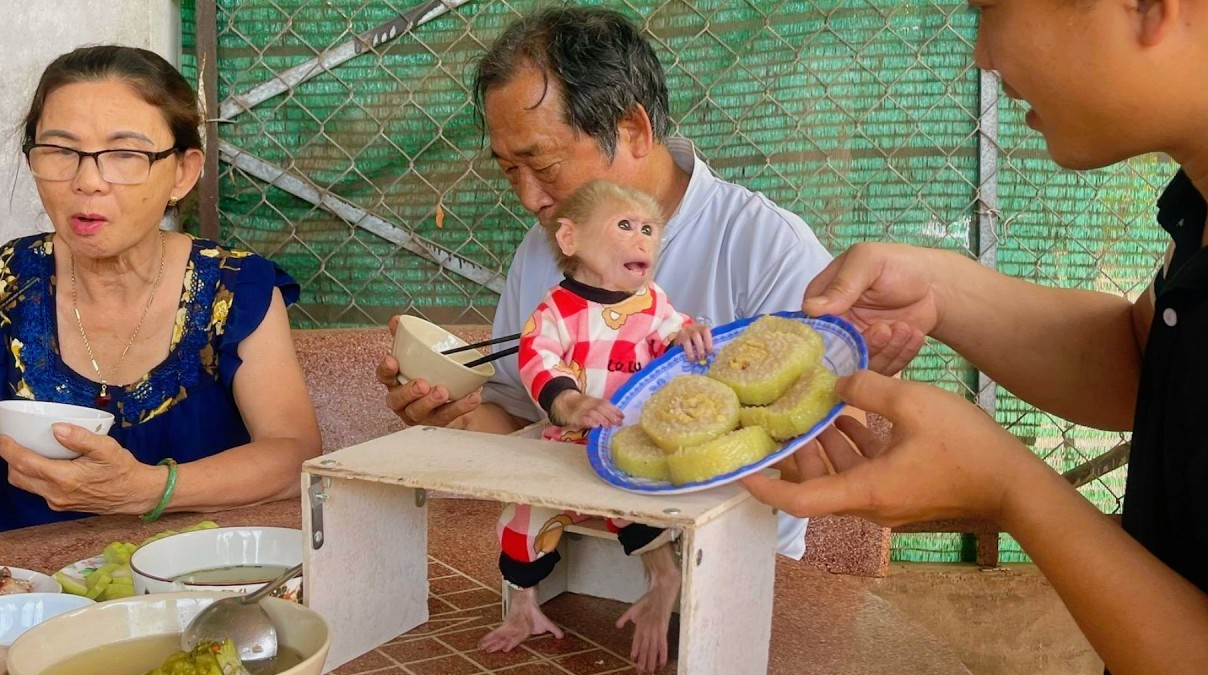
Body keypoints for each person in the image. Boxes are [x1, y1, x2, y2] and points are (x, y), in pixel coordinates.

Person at [741, 0, 1208, 675]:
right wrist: (939, 289)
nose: (983, 55)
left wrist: (1010, 489)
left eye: (989, 8)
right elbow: (1144, 366)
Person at [376, 5, 834, 561]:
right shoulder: (548, 248)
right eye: (508, 171)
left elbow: (824, 443)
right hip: (572, 562)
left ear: (633, 130)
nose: (529, 198)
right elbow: (518, 419)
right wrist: (453, 418)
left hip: (731, 567)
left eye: (542, 166)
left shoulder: (764, 246)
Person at [0, 45, 321, 532]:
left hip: (195, 582)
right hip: (26, 592)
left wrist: (146, 489)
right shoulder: (8, 283)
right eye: (61, 151)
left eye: (125, 154)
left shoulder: (232, 289)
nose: (88, 182)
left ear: (183, 172)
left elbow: (292, 454)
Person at [481, 179, 712, 673]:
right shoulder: (555, 310)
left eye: (650, 229)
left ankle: (663, 579)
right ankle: (523, 606)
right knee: (522, 520)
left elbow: (676, 330)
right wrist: (567, 401)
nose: (642, 239)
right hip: (567, 443)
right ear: (571, 240)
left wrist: (689, 334)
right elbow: (538, 358)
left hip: (629, 444)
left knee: (642, 509)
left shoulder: (653, 304)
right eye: (625, 225)